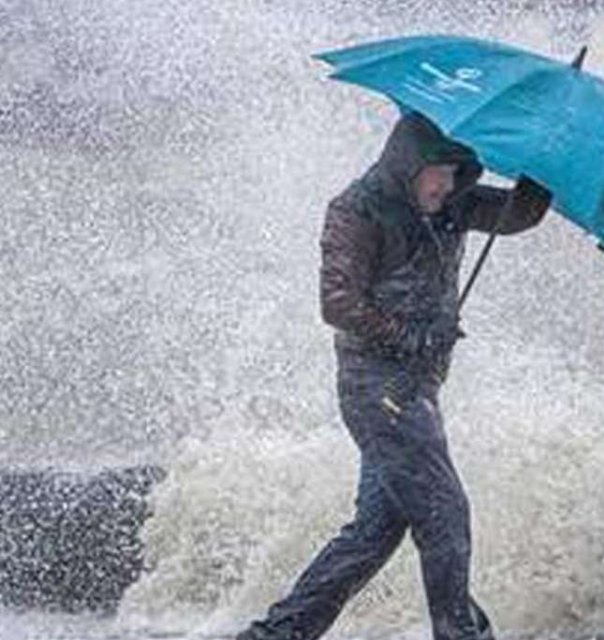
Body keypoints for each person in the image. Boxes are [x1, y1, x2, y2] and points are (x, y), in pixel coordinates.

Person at [237, 112, 551, 640]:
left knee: (374, 532)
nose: (445, 185)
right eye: (437, 173)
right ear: (407, 165)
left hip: (419, 387)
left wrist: (542, 163)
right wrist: (409, 336)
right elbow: (336, 303)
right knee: (444, 512)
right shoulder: (356, 209)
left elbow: (518, 213)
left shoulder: (453, 203)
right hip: (375, 386)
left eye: (456, 173)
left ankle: (276, 635)